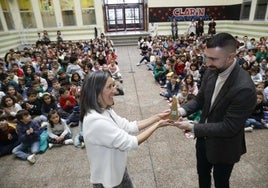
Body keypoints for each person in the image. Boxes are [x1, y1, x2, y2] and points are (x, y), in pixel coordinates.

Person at [174, 33, 256, 188]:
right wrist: (181, 110)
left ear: (231, 57)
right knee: (202, 175)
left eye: (213, 59)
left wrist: (193, 127)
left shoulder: (244, 88)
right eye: (206, 57)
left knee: (221, 181)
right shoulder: (211, 70)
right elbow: (200, 99)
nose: (207, 63)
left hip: (225, 146)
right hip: (203, 140)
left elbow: (229, 126)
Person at [80, 71, 174, 188]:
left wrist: (157, 117)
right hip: (108, 181)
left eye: (113, 85)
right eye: (109, 87)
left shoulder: (105, 110)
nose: (114, 91)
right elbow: (130, 142)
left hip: (117, 172)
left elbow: (129, 126)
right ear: (96, 92)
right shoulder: (96, 122)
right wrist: (158, 125)